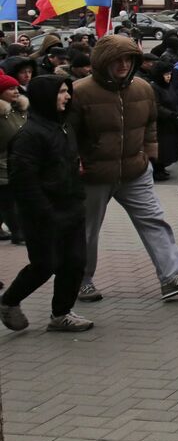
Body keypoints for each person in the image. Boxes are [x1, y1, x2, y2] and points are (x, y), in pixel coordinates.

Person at [69, 37, 178, 303]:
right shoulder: (80, 91)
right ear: (102, 62)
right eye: (116, 60)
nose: (123, 65)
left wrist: (149, 154)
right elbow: (69, 133)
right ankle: (81, 281)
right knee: (87, 229)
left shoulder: (142, 88)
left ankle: (173, 276)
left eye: (128, 59)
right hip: (94, 173)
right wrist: (76, 161)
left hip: (135, 169)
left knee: (155, 220)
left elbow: (150, 124)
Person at [0, 77, 92, 332]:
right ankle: (9, 302)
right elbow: (24, 181)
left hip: (71, 207)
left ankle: (61, 314)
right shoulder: (29, 135)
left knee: (74, 262)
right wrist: (46, 213)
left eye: (67, 91)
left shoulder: (63, 127)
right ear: (45, 97)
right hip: (43, 214)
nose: (67, 96)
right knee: (44, 266)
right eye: (61, 92)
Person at [0, 73, 26, 245]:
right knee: (9, 201)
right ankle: (19, 232)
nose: (16, 91)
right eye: (11, 88)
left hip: (19, 162)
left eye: (16, 87)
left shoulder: (19, 109)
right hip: (3, 164)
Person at [149, 61, 178, 182]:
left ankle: (162, 167)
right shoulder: (154, 87)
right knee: (161, 148)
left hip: (170, 122)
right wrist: (172, 114)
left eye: (169, 74)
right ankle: (157, 169)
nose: (168, 76)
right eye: (166, 74)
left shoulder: (169, 86)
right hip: (161, 123)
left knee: (169, 146)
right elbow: (156, 106)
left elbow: (174, 100)